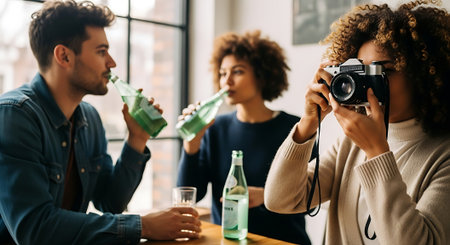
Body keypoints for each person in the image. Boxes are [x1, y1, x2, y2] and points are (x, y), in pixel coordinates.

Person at [0, 1, 200, 244]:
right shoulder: (14, 116)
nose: (112, 63)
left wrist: (136, 139)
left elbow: (111, 202)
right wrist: (144, 226)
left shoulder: (89, 118)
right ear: (64, 56)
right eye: (101, 51)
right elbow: (34, 228)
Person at [265, 0, 450, 244]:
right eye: (361, 72)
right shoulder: (349, 144)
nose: (367, 85)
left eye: (382, 71)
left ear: (424, 74)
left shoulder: (443, 155)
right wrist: (308, 124)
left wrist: (376, 151)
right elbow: (279, 199)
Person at [176, 30, 312, 244]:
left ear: (262, 75)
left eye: (237, 72)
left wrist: (267, 196)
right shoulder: (215, 128)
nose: (226, 81)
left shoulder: (296, 129)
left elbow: (311, 200)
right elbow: (191, 194)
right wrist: (191, 145)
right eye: (222, 73)